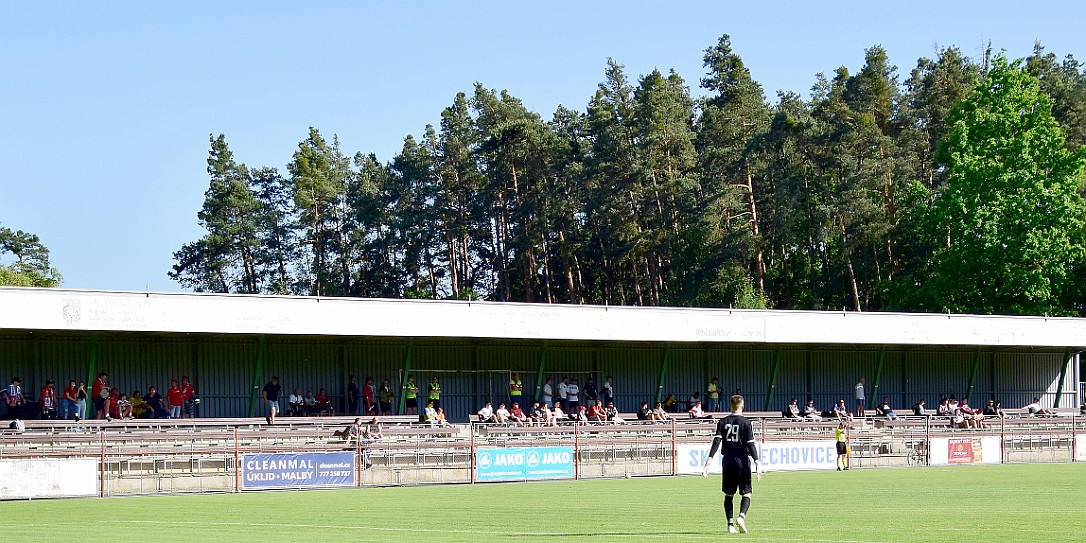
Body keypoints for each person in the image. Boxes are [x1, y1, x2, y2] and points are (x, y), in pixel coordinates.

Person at [701, 394, 762, 534]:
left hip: (727, 461)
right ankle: (741, 517)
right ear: (742, 405)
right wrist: (757, 461)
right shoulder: (746, 423)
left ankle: (730, 525)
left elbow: (716, 441)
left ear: (730, 405)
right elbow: (751, 445)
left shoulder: (722, 422)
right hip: (742, 461)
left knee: (729, 494)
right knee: (747, 493)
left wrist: (709, 461)